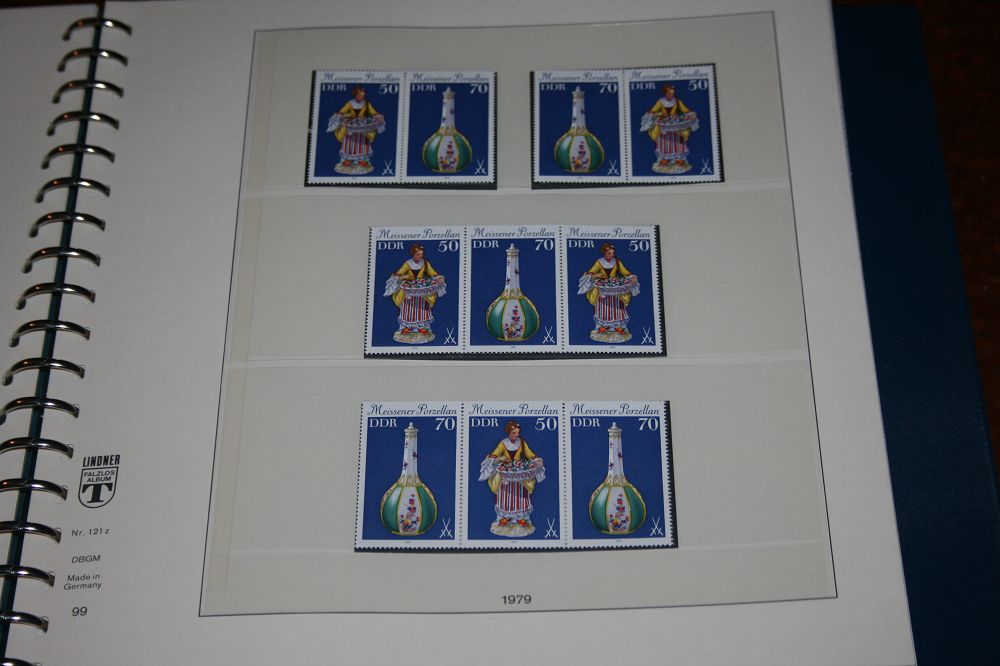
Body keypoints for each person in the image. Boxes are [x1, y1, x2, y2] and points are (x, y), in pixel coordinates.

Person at [478, 420, 545, 536]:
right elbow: (493, 455)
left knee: (521, 495)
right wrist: (499, 459)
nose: (516, 435)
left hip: (519, 473)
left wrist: (537, 460)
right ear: (509, 433)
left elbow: (530, 454)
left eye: (518, 432)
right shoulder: (503, 443)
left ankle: (521, 518)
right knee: (505, 495)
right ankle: (505, 518)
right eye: (514, 433)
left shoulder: (522, 442)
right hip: (506, 474)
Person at [383, 243, 446, 343]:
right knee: (408, 308)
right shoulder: (407, 263)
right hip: (409, 290)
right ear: (413, 254)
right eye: (418, 254)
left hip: (421, 290)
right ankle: (407, 327)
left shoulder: (425, 263)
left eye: (422, 254)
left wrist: (439, 278)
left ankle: (421, 327)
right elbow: (398, 274)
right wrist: (403, 277)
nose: (421, 256)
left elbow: (432, 272)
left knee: (422, 307)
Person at [577, 243, 640, 343]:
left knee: (617, 306)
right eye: (609, 253)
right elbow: (590, 273)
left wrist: (632, 277)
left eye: (613, 253)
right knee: (603, 306)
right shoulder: (599, 262)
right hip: (603, 289)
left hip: (615, 288)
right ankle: (603, 326)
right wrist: (596, 276)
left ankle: (618, 327)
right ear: (604, 253)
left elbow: (625, 272)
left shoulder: (617, 262)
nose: (612, 255)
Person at [639, 83, 699, 173]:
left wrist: (689, 114)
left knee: (678, 140)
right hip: (664, 126)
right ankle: (665, 159)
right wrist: (659, 114)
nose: (671, 95)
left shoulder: (677, 101)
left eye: (673, 93)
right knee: (664, 141)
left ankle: (679, 159)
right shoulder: (660, 102)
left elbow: (685, 110)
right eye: (669, 93)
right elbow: (652, 112)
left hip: (676, 125)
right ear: (665, 93)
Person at [327, 85, 385, 174]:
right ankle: (348, 160)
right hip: (350, 128)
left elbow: (373, 112)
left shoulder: (366, 103)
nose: (362, 97)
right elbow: (341, 112)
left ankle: (362, 160)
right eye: (360, 95)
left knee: (363, 143)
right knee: (349, 143)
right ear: (355, 95)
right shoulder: (350, 103)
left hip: (362, 128)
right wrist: (345, 116)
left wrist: (378, 116)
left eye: (363, 95)